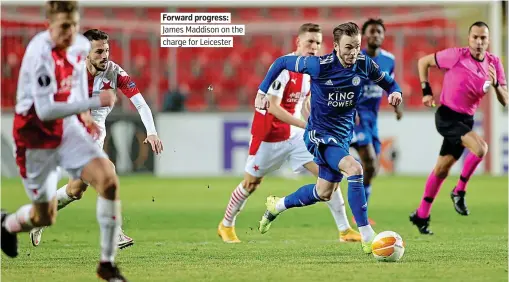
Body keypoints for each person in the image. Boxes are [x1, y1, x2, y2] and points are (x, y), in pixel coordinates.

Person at [1, 2, 128, 280]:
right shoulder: (39, 54)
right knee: (43, 216)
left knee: (107, 177)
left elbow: (77, 85)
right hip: (35, 134)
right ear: (49, 23)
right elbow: (45, 111)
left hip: (68, 128)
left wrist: (85, 116)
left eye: (74, 25)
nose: (70, 32)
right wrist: (94, 102)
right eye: (64, 26)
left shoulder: (80, 47)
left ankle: (107, 264)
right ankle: (7, 224)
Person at [256, 22, 403, 254]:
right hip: (319, 136)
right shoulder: (318, 66)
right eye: (347, 48)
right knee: (355, 168)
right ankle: (367, 236)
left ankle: (277, 205)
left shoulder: (364, 63)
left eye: (356, 46)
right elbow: (281, 62)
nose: (353, 53)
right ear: (335, 46)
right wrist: (262, 91)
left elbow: (388, 82)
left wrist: (395, 92)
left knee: (323, 192)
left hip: (343, 136)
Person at [218, 23, 360, 244]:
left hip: (294, 137)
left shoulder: (311, 69)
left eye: (318, 43)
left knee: (329, 173)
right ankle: (226, 225)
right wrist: (307, 125)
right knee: (251, 184)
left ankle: (345, 230)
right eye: (310, 42)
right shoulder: (285, 70)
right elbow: (273, 107)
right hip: (268, 137)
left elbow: (306, 102)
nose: (314, 47)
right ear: (298, 42)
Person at [28, 28, 164, 250]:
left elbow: (140, 103)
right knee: (107, 171)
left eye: (107, 50)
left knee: (75, 190)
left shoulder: (114, 72)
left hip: (95, 134)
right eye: (99, 51)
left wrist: (151, 131)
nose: (105, 56)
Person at [410, 21, 507, 235]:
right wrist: (426, 91)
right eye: (475, 37)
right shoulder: (456, 55)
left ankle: (421, 215)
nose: (479, 42)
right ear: (469, 38)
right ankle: (459, 191)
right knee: (481, 148)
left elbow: (505, 100)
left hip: (466, 121)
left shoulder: (494, 63)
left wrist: (497, 85)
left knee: (442, 169)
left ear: (488, 40)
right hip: (447, 116)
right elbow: (423, 61)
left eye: (483, 38)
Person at [349, 19, 402, 225]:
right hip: (354, 117)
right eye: (371, 32)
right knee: (369, 162)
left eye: (379, 32)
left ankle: (359, 209)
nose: (376, 35)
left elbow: (390, 85)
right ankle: (357, 215)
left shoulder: (389, 60)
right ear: (364, 35)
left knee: (373, 169)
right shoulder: (355, 58)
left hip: (372, 119)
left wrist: (397, 105)